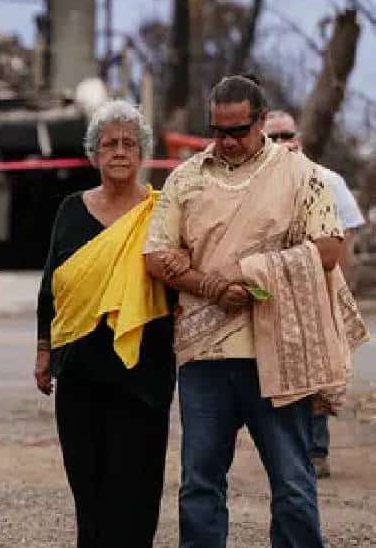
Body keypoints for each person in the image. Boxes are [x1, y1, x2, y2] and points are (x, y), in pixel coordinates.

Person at [144, 75, 365, 548]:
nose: (225, 141)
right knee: (200, 483)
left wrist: (257, 273)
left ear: (262, 121)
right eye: (217, 131)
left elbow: (328, 248)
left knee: (292, 483)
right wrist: (209, 285)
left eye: (237, 131)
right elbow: (156, 255)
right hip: (205, 356)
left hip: (279, 349)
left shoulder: (299, 173)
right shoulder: (187, 178)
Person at [34, 100, 175, 548]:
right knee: (89, 490)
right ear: (94, 154)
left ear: (142, 154)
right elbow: (52, 285)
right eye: (109, 143)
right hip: (80, 370)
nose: (119, 151)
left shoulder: (161, 212)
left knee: (135, 489)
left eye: (129, 144)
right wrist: (43, 351)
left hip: (144, 371)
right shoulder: (71, 210)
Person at [265, 109, 366, 479]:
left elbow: (349, 239)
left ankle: (317, 450)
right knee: (283, 372)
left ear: (299, 138)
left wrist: (344, 291)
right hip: (273, 293)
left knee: (321, 369)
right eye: (271, 137)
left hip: (322, 289)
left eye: (285, 135)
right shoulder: (256, 187)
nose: (279, 143)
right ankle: (286, 450)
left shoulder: (328, 180)